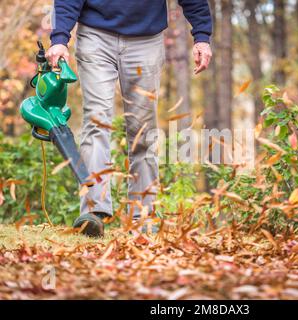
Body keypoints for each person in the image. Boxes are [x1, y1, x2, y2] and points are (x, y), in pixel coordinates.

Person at [46, 0, 213, 237]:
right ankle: (94, 212)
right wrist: (60, 38)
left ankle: (143, 216)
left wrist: (202, 36)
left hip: (146, 39)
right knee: (96, 121)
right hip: (95, 35)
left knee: (142, 131)